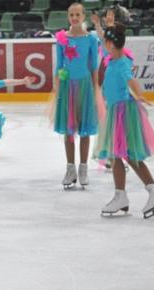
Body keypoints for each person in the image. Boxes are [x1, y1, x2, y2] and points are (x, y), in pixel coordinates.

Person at [93, 23, 154, 219]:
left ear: (112, 44)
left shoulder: (121, 63)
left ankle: (147, 191)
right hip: (116, 110)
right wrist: (98, 25)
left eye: (106, 42)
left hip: (123, 112)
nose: (104, 45)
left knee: (123, 153)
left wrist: (139, 94)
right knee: (118, 154)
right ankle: (131, 194)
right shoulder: (113, 58)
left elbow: (131, 80)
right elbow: (103, 40)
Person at [53, 2, 98, 189]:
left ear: (83, 16)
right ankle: (70, 168)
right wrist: (57, 86)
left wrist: (96, 90)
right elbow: (59, 65)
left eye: (78, 14)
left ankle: (83, 167)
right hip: (66, 87)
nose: (74, 18)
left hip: (85, 86)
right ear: (68, 17)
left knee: (85, 128)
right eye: (71, 15)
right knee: (69, 129)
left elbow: (94, 66)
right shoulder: (62, 38)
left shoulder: (91, 39)